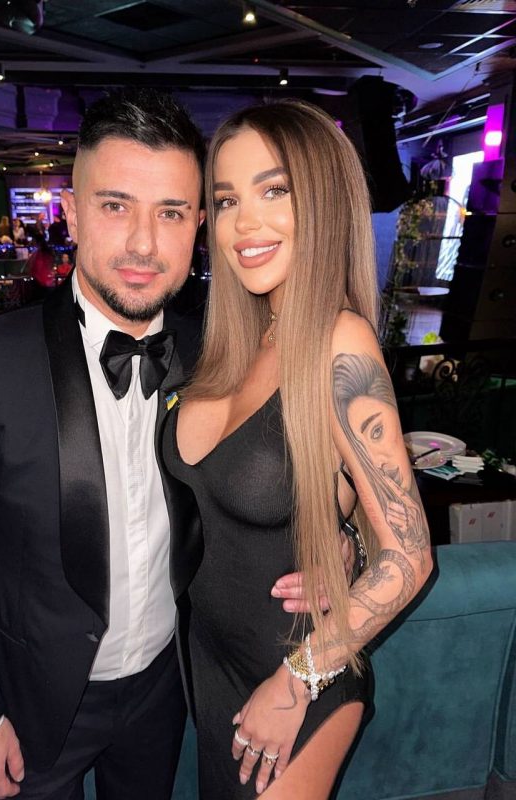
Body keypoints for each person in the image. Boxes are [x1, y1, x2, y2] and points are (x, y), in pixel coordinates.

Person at [0, 89, 347, 800]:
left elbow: (282, 479)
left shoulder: (222, 353)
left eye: (170, 212)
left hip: (167, 686)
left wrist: (338, 542)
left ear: (198, 226)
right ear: (73, 214)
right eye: (115, 206)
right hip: (30, 700)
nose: (142, 243)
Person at [162, 100, 433, 799]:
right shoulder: (229, 340)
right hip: (210, 663)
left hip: (295, 674)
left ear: (322, 204)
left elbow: (411, 555)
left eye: (274, 190)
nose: (244, 223)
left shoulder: (339, 342)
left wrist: (296, 681)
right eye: (227, 199)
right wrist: (344, 540)